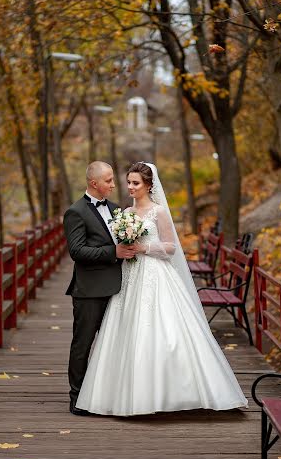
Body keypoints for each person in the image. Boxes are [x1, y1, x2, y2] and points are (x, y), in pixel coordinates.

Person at [76, 162, 248, 415]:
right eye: (129, 182)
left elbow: (170, 247)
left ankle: (175, 393)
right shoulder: (124, 212)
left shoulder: (159, 212)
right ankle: (126, 395)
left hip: (156, 274)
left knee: (164, 331)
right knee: (126, 329)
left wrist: (144, 248)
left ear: (148, 185)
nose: (130, 187)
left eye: (135, 183)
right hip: (130, 275)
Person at [63, 161, 136, 416]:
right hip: (89, 290)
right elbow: (77, 251)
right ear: (94, 183)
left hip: (117, 289)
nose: (114, 185)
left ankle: (106, 395)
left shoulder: (116, 210)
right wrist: (113, 252)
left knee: (112, 344)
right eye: (108, 180)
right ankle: (76, 397)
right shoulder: (76, 212)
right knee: (83, 344)